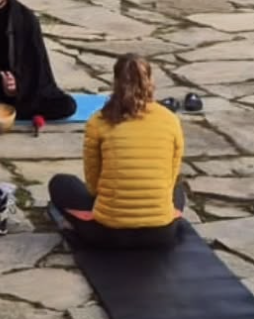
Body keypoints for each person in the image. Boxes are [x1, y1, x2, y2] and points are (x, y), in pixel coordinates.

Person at [48, 53, 186, 248]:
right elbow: (170, 178)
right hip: (162, 232)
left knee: (60, 183)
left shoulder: (98, 121)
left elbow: (94, 187)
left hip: (108, 233)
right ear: (150, 81)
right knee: (177, 188)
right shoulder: (170, 120)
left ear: (115, 82)